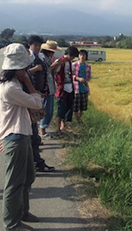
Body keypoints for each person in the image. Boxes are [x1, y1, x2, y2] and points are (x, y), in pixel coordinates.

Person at [0, 43, 43, 231]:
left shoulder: (15, 84)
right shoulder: (11, 88)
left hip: (21, 133)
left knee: (28, 176)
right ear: (17, 69)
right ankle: (11, 223)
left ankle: (22, 212)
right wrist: (30, 83)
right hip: (15, 137)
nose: (26, 70)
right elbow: (37, 103)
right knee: (14, 182)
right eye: (23, 68)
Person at [27, 35, 55, 173]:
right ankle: (35, 163)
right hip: (29, 98)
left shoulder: (40, 59)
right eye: (35, 45)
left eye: (39, 45)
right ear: (30, 45)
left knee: (34, 133)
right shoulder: (28, 58)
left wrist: (43, 91)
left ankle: (35, 162)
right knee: (32, 134)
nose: (37, 47)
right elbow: (23, 75)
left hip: (36, 96)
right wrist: (35, 69)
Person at [50, 46, 79, 134]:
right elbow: (51, 69)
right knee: (61, 108)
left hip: (70, 87)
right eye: (73, 56)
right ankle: (58, 128)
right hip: (62, 88)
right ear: (69, 54)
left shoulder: (69, 62)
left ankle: (63, 126)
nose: (73, 58)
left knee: (68, 107)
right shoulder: (60, 61)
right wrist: (58, 63)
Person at [39, 40, 61, 137]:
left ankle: (44, 129)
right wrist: (52, 67)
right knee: (46, 109)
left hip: (51, 86)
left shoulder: (49, 58)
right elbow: (45, 71)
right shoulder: (42, 59)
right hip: (45, 88)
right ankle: (42, 130)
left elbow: (52, 73)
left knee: (50, 110)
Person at [72, 49, 92, 125]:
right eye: (81, 55)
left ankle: (79, 120)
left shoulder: (88, 66)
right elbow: (71, 75)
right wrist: (78, 78)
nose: (82, 57)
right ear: (78, 56)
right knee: (75, 107)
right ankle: (79, 121)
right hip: (76, 88)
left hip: (84, 88)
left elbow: (89, 76)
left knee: (82, 107)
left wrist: (87, 80)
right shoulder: (74, 65)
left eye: (84, 55)